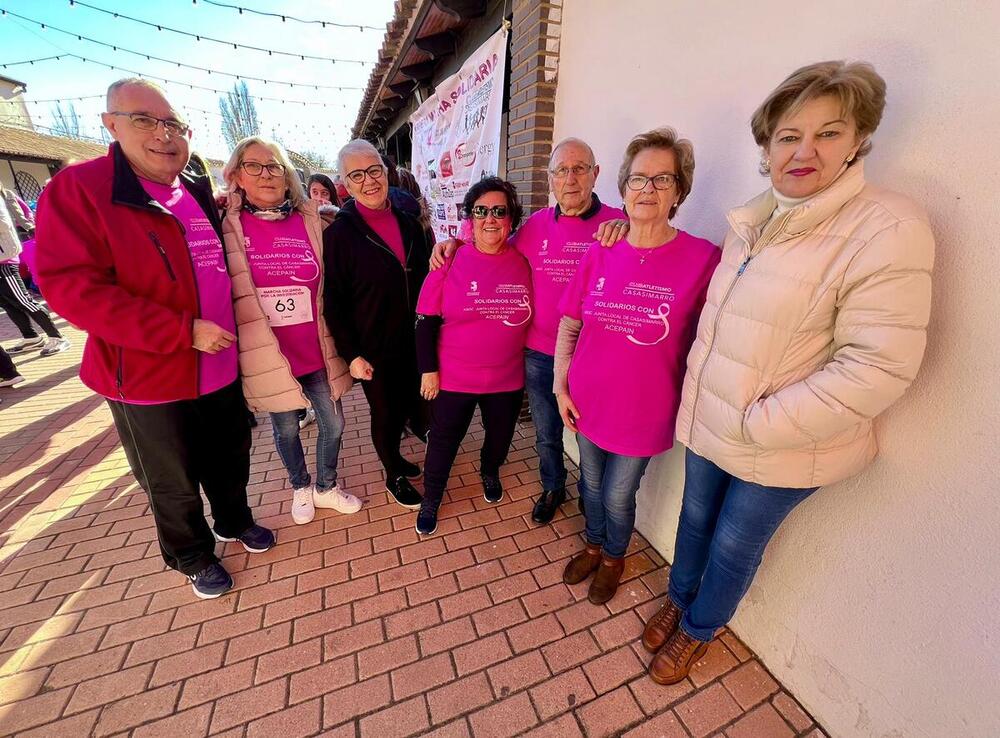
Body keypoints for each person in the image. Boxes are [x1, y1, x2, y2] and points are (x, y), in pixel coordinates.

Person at [638, 61, 934, 685]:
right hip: (715, 418)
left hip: (784, 441)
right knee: (693, 519)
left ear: (858, 142)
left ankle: (698, 629)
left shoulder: (885, 227)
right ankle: (678, 596)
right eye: (787, 136)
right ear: (767, 148)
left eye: (828, 133)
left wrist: (760, 423)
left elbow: (878, 364)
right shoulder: (752, 223)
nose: (804, 151)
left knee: (733, 545)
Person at [35, 78, 274, 600]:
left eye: (174, 125)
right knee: (172, 479)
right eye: (145, 120)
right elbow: (72, 289)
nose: (163, 135)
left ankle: (234, 521)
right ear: (112, 125)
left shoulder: (188, 188)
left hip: (219, 367)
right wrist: (180, 330)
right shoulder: (81, 189)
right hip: (148, 377)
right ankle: (191, 555)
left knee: (230, 458)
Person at [555, 128, 720, 605]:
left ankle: (613, 557)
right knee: (588, 483)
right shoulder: (602, 249)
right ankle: (592, 543)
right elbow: (570, 325)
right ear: (623, 189)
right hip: (587, 399)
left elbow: (713, 341)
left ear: (679, 193)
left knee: (618, 495)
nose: (647, 189)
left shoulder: (703, 259)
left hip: (645, 409)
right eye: (638, 179)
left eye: (661, 180)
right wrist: (561, 387)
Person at [431, 138, 624, 525]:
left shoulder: (618, 225)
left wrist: (628, 225)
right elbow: (493, 245)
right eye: (561, 171)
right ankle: (553, 486)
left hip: (594, 356)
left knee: (591, 436)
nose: (570, 179)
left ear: (595, 174)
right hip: (540, 354)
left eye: (580, 169)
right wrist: (454, 242)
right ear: (549, 179)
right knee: (547, 433)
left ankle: (591, 495)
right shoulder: (535, 227)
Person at [222, 136, 362, 525]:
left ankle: (326, 486)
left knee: (333, 422)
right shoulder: (228, 225)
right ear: (237, 175)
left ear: (287, 176)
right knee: (286, 429)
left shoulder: (312, 220)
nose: (267, 174)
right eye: (255, 166)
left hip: (315, 346)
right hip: (270, 354)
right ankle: (300, 485)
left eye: (275, 166)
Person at [414, 177, 533, 534]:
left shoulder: (525, 262)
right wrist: (428, 370)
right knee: (443, 440)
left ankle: (489, 471)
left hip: (507, 378)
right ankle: (432, 495)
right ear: (470, 217)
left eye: (500, 211)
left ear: (511, 219)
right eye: (481, 211)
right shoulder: (449, 261)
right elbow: (425, 321)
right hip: (455, 377)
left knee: (499, 437)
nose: (491, 219)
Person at [323, 139, 431, 509]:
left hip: (415, 339)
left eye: (374, 171)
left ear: (385, 172)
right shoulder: (339, 234)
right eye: (357, 175)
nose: (369, 181)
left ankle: (400, 457)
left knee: (412, 406)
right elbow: (333, 301)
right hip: (374, 347)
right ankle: (393, 474)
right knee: (386, 415)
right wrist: (351, 353)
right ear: (345, 185)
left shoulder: (409, 223)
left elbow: (429, 279)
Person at [0, 183, 70, 357]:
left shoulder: (3, 195)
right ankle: (31, 337)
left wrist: (30, 228)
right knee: (7, 303)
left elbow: (4, 223)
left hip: (5, 258)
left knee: (23, 300)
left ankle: (57, 336)